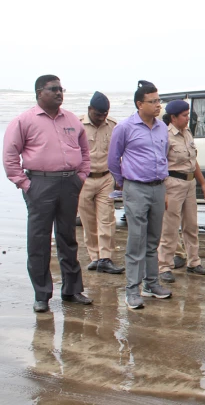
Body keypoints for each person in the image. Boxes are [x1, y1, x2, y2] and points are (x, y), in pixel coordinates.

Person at [3, 74, 92, 313]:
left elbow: (85, 150)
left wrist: (81, 175)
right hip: (39, 185)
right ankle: (41, 294)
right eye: (53, 89)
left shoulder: (72, 119)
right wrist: (24, 183)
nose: (59, 93)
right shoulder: (24, 121)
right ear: (39, 92)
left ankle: (72, 290)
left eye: (61, 89)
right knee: (39, 240)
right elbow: (10, 156)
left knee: (68, 238)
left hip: (69, 183)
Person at [108, 80, 173, 310]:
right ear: (139, 104)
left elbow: (163, 156)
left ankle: (151, 284)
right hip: (135, 188)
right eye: (153, 101)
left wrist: (162, 186)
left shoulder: (162, 127)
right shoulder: (125, 127)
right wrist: (124, 182)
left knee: (153, 238)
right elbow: (113, 160)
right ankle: (132, 290)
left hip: (158, 187)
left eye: (159, 100)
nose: (158, 105)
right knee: (136, 240)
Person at [157, 100, 205, 283]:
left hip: (189, 183)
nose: (188, 119)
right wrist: (162, 191)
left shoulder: (187, 133)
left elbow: (193, 161)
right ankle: (164, 265)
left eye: (188, 115)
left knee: (191, 225)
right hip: (172, 184)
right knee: (169, 227)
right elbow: (159, 164)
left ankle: (193, 262)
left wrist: (202, 183)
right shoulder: (164, 135)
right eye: (184, 115)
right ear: (173, 117)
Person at [79, 92, 123, 274]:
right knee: (87, 221)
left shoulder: (113, 125)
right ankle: (95, 257)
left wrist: (120, 178)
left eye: (105, 114)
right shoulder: (78, 125)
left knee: (107, 219)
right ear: (90, 110)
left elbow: (120, 152)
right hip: (84, 179)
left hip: (106, 178)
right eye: (98, 114)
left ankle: (106, 258)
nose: (101, 117)